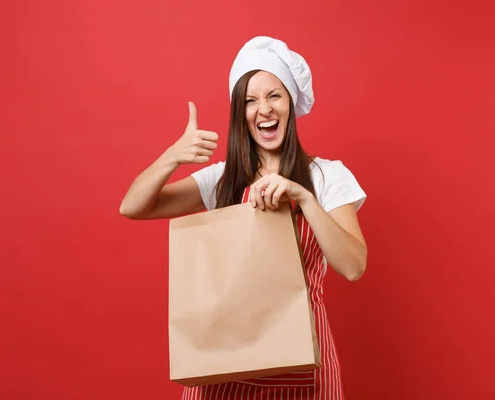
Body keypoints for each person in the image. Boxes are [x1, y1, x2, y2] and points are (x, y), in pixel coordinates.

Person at [120, 36, 368, 399]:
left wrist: (304, 197)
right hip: (221, 363)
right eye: (250, 100)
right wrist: (173, 156)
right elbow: (133, 206)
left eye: (273, 96)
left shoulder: (326, 176)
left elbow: (353, 266)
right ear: (240, 113)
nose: (263, 109)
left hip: (299, 362)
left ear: (290, 103)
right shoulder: (222, 179)